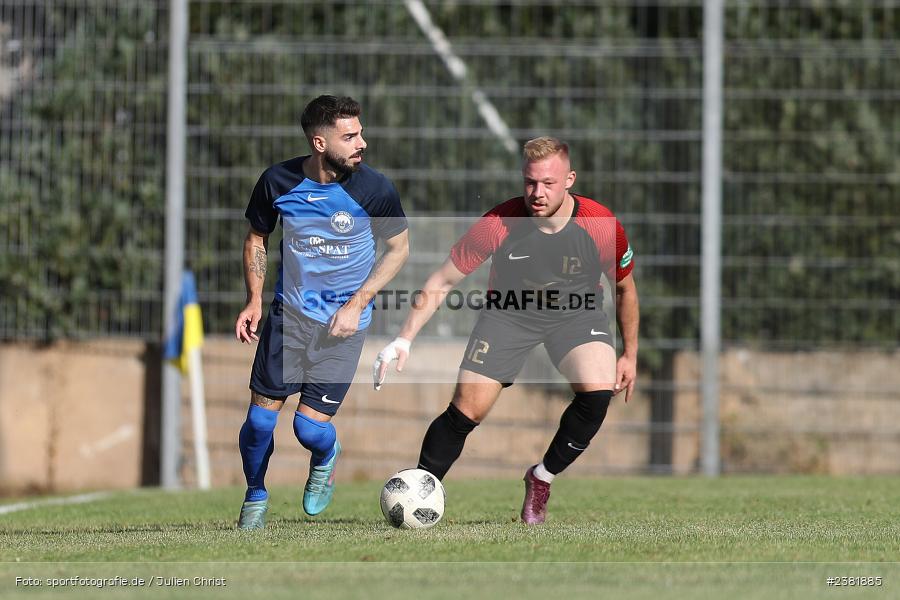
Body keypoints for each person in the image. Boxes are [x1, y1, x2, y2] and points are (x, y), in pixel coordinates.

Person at [374, 136, 638, 525]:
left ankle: (542, 477)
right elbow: (443, 280)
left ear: (570, 180)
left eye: (548, 183)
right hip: (509, 315)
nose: (537, 193)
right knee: (467, 410)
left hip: (576, 315)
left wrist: (629, 354)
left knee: (598, 392)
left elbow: (624, 289)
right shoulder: (500, 222)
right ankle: (419, 491)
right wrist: (404, 338)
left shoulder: (599, 225)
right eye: (530, 182)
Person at [234, 95, 409, 529]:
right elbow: (257, 238)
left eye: (360, 133)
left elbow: (398, 249)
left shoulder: (375, 189)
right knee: (259, 421)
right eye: (349, 137)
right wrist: (254, 299)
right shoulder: (277, 182)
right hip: (289, 317)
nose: (361, 143)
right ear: (319, 143)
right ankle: (255, 495)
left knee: (308, 430)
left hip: (344, 326)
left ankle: (326, 455)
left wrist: (356, 304)